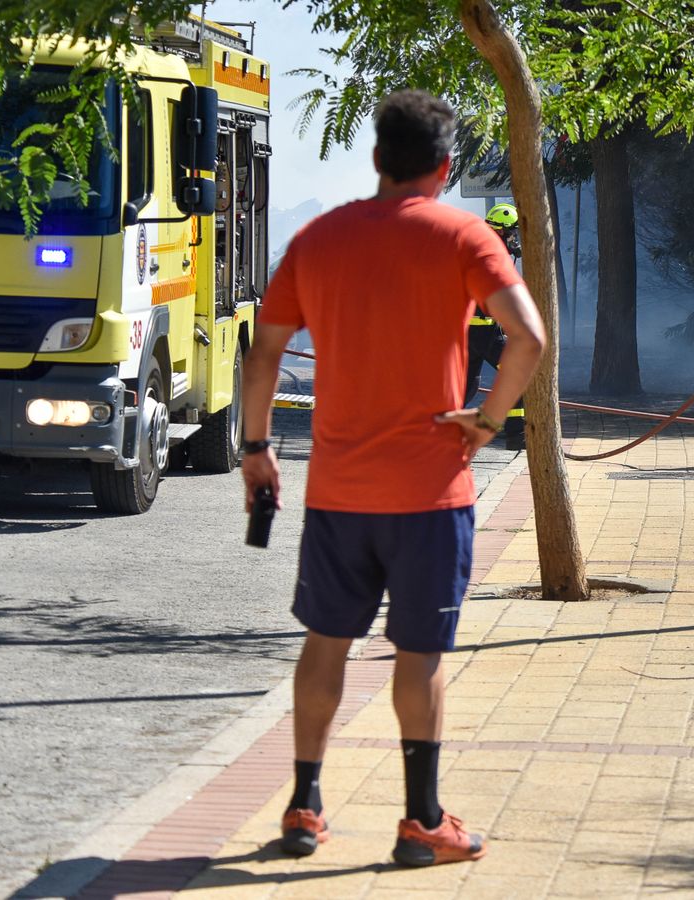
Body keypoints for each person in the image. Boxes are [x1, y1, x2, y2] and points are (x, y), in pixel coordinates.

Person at [239, 90, 545, 868]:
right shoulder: (466, 236)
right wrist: (487, 420)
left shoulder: (317, 239)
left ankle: (304, 807)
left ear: (377, 158)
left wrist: (255, 448)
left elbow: (265, 353)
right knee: (420, 656)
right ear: (446, 167)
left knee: (325, 644)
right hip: (431, 493)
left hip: (339, 492)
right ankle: (422, 823)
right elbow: (529, 338)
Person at [463, 202, 527, 451]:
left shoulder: (480, 249)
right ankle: (516, 436)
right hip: (484, 332)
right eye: (512, 233)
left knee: (465, 388)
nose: (515, 239)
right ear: (500, 231)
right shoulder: (490, 255)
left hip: (468, 333)